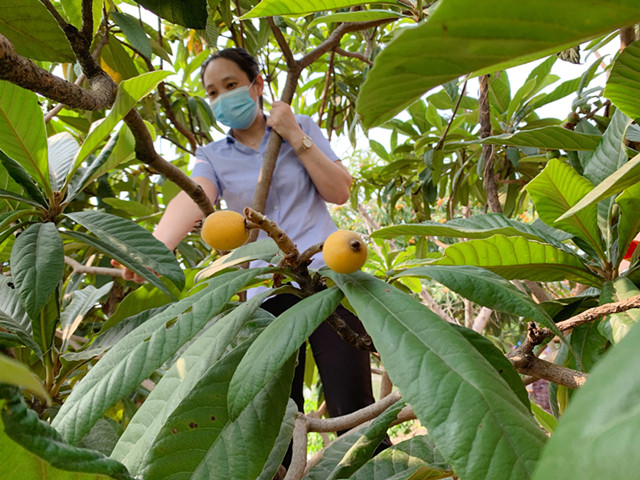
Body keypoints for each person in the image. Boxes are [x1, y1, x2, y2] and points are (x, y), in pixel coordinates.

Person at [118, 47, 388, 463]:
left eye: (231, 85)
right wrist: (153, 248)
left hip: (329, 277)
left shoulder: (301, 125)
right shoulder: (212, 155)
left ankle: (378, 471)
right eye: (212, 92)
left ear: (257, 84)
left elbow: (339, 190)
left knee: (351, 405)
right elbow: (195, 196)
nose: (222, 97)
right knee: (276, 415)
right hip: (268, 291)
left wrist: (293, 134)